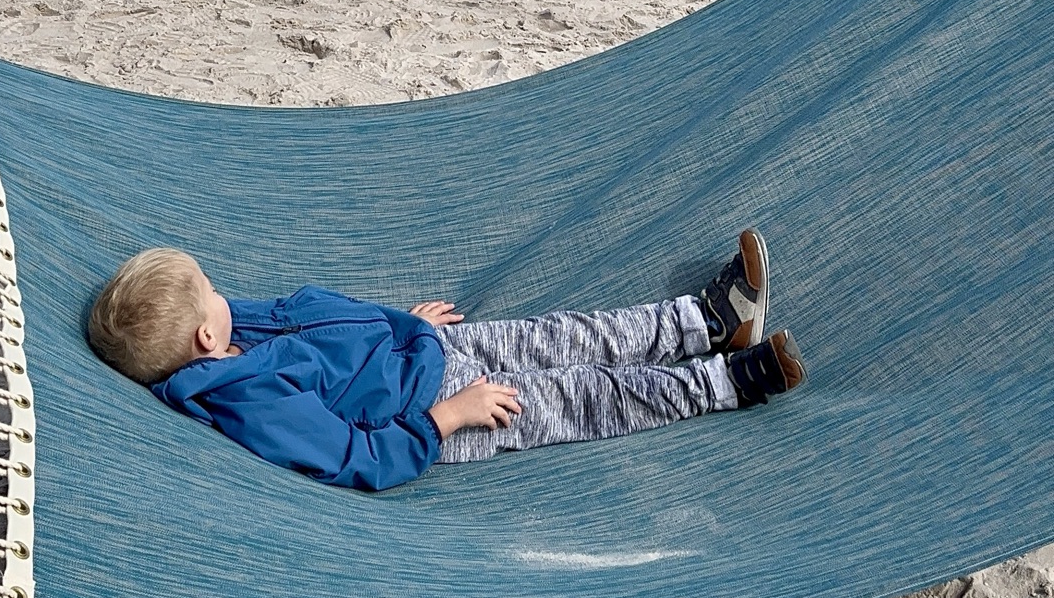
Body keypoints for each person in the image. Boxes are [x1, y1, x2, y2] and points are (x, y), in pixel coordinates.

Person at [87, 230, 805, 493]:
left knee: (566, 335)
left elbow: (329, 328)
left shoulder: (230, 330)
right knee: (586, 394)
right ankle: (725, 382)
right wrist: (445, 418)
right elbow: (350, 458)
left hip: (426, 349)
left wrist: (406, 324)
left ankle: (707, 322)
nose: (221, 292)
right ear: (204, 344)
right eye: (210, 292)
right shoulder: (248, 399)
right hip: (437, 412)